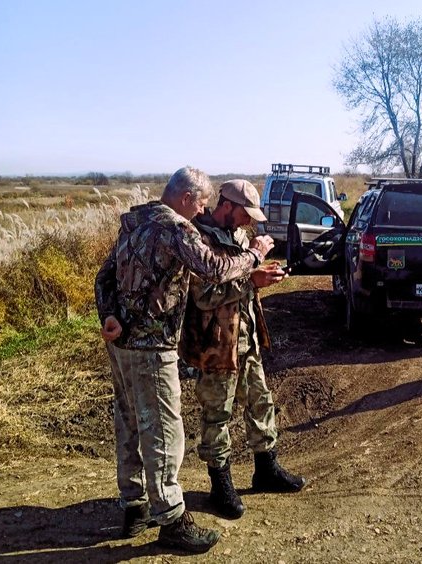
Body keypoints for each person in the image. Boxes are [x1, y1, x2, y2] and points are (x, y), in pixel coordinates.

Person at [94, 167, 274, 553]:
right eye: (203, 202)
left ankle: (135, 507)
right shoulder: (177, 227)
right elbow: (214, 269)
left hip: (122, 345)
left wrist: (109, 315)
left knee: (128, 424)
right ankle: (173, 520)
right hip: (151, 348)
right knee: (162, 433)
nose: (204, 209)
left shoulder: (136, 221)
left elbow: (104, 277)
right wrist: (255, 257)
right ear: (188, 198)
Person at [179, 179, 306, 520]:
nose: (248, 222)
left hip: (245, 338)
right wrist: (250, 280)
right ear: (227, 206)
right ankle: (220, 484)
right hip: (216, 344)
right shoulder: (198, 239)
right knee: (217, 413)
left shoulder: (239, 238)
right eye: (244, 214)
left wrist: (261, 275)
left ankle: (266, 469)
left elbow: (242, 282)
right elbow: (203, 296)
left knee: (261, 402)